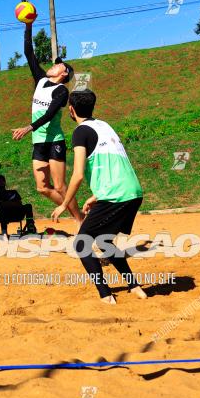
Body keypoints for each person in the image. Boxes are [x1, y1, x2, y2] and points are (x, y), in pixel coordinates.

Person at [51, 89, 147, 304]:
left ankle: (105, 295)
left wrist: (64, 204)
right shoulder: (105, 126)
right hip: (132, 191)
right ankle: (134, 286)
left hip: (115, 195)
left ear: (71, 110)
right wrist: (96, 195)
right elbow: (113, 165)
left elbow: (77, 175)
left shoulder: (80, 132)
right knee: (104, 243)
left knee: (81, 244)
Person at [12, 17, 83, 223]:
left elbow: (50, 114)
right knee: (42, 187)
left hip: (54, 141)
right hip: (39, 142)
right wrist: (28, 26)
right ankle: (73, 211)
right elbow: (29, 53)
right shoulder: (41, 79)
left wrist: (28, 127)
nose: (54, 65)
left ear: (64, 74)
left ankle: (79, 220)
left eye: (58, 66)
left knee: (60, 186)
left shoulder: (61, 91)